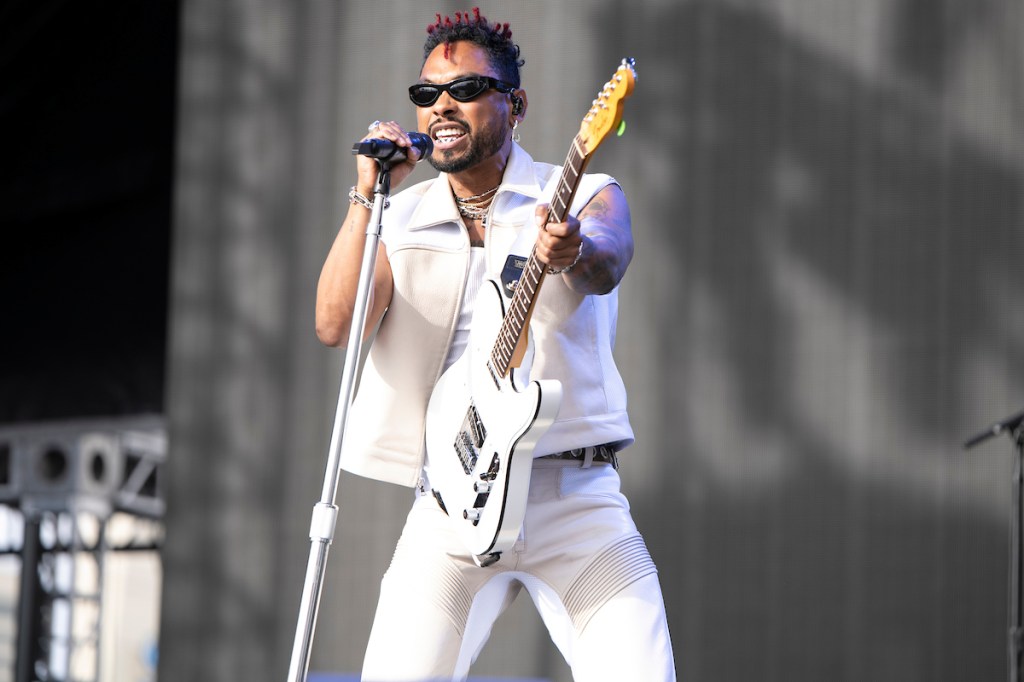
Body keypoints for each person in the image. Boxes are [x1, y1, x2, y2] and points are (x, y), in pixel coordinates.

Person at [315, 8, 676, 682]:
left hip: (574, 499)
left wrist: (572, 251)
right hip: (449, 507)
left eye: (466, 89)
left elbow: (607, 259)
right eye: (427, 93)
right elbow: (337, 325)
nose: (442, 106)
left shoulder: (583, 194)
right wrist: (368, 198)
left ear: (517, 105)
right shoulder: (401, 217)